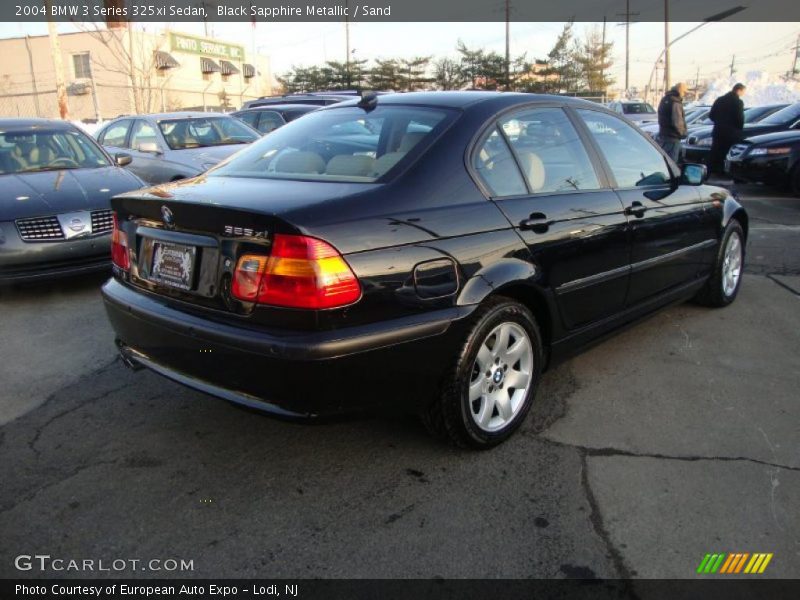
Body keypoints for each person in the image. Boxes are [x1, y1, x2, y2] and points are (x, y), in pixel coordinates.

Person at [708, 83, 746, 175]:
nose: (744, 94)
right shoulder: (738, 102)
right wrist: (738, 129)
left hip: (718, 131)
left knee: (715, 151)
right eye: (743, 92)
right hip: (731, 133)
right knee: (727, 153)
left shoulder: (720, 100)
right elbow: (740, 119)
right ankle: (723, 171)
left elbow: (711, 115)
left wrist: (719, 122)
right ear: (739, 90)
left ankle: (711, 170)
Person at [656, 82, 688, 163]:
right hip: (673, 138)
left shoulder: (665, 99)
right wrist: (683, 133)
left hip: (663, 135)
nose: (684, 95)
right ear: (680, 91)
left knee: (664, 161)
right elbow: (677, 122)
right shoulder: (675, 102)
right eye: (684, 92)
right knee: (672, 164)